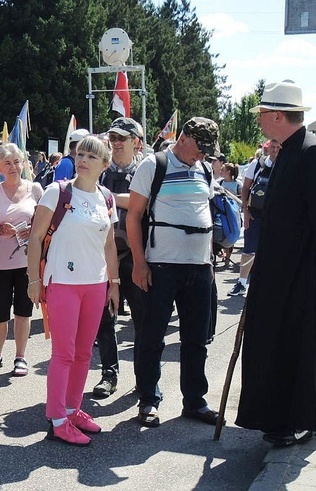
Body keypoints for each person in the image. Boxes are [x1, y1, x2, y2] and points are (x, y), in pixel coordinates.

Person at [237, 80, 316, 447]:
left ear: (278, 115)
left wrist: (314, 274)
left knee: (301, 346)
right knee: (275, 344)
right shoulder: (287, 151)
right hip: (280, 271)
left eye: (262, 114)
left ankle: (300, 420)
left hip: (306, 275)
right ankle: (276, 417)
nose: (260, 121)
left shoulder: (314, 153)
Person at [126, 117, 222, 428]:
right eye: (201, 148)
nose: (204, 155)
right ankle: (148, 400)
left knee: (196, 339)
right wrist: (139, 263)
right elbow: (134, 215)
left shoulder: (204, 169)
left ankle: (195, 400)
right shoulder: (154, 165)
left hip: (199, 269)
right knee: (152, 337)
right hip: (161, 267)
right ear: (184, 138)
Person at [28, 135, 119, 447]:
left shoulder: (106, 198)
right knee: (64, 354)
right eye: (81, 154)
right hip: (63, 284)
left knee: (83, 354)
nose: (83, 160)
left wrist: (114, 284)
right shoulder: (57, 192)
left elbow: (109, 243)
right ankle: (57, 419)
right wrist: (33, 280)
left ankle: (72, 409)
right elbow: (36, 238)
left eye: (92, 157)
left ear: (105, 164)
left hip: (95, 284)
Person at [0, 143, 42, 376]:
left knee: (23, 312)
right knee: (0, 312)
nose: (13, 167)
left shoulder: (35, 189)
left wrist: (33, 228)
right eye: (7, 163)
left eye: (17, 161)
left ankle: (20, 356)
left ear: (24, 163)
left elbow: (48, 223)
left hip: (27, 263)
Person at [92, 117, 146, 398]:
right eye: (112, 138)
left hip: (136, 257)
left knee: (143, 321)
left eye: (121, 138)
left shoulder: (147, 171)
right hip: (104, 257)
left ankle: (144, 378)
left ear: (137, 141)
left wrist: (109, 196)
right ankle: (109, 374)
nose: (115, 143)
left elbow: (143, 204)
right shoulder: (100, 172)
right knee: (105, 321)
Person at [228, 139, 281, 296]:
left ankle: (271, 285)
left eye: (278, 147)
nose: (275, 150)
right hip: (255, 214)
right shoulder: (257, 164)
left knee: (275, 251)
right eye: (273, 146)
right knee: (249, 250)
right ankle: (242, 283)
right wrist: (245, 210)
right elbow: (245, 188)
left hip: (277, 216)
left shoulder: (286, 165)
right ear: (267, 147)